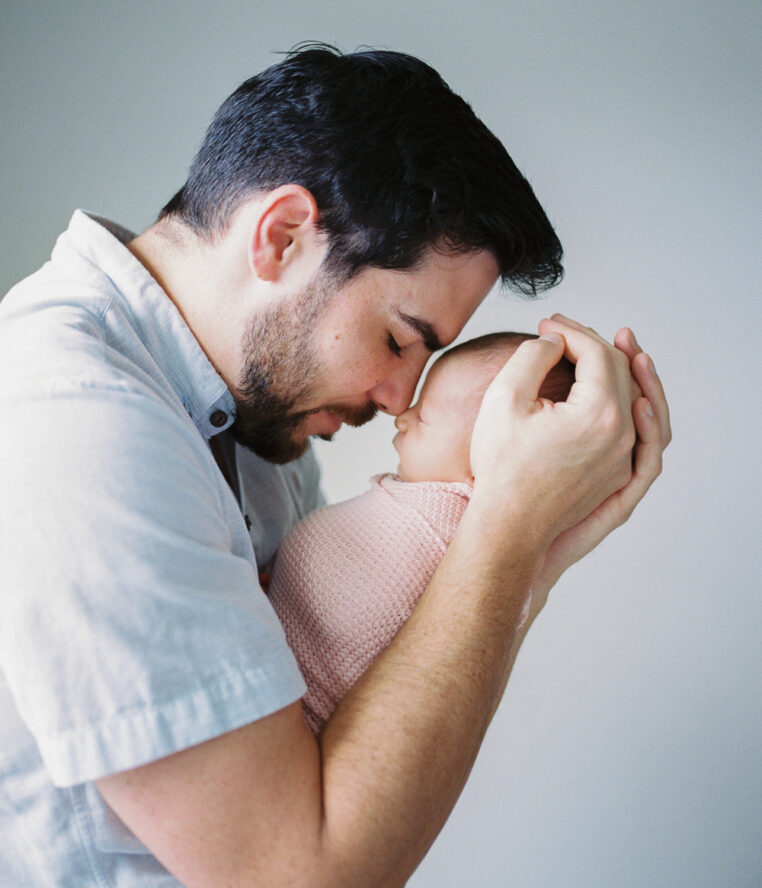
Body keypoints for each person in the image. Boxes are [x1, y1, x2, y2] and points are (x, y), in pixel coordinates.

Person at [0, 44, 670, 888]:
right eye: (400, 338)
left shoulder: (244, 417)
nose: (399, 397)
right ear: (282, 237)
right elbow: (301, 874)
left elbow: (352, 736)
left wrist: (536, 543)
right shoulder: (81, 418)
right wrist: (506, 530)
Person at [270, 332, 576, 734]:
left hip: (310, 719)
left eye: (426, 413)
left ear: (490, 458)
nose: (402, 415)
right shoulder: (426, 511)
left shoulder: (467, 545)